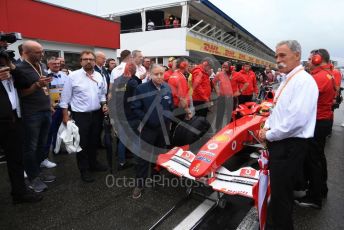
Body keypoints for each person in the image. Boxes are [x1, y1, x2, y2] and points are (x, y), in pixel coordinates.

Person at [259, 40, 318, 230]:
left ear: (297, 55)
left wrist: (270, 134)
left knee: (281, 197)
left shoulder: (304, 81)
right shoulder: (288, 79)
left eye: (282, 55)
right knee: (278, 194)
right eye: (276, 56)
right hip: (282, 142)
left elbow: (295, 120)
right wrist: (267, 127)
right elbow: (278, 111)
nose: (278, 60)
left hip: (289, 144)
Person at [294, 49, 336, 209]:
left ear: (318, 59)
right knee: (318, 158)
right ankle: (321, 189)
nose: (308, 62)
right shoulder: (328, 74)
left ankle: (314, 197)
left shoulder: (319, 78)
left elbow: (303, 100)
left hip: (317, 122)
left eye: (311, 59)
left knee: (313, 160)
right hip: (323, 120)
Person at [12, 40, 56, 193]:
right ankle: (32, 178)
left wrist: (49, 103)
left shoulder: (42, 66)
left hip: (45, 110)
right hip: (31, 113)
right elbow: (21, 94)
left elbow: (46, 88)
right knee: (30, 147)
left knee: (42, 145)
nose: (42, 54)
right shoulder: (18, 69)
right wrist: (37, 85)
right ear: (26, 53)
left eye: (42, 51)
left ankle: (37, 172)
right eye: (38, 52)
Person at [0, 47, 42, 203]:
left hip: (12, 120)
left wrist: (12, 67)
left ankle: (19, 193)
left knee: (16, 159)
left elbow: (25, 82)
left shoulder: (11, 68)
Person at [60, 50, 108, 182]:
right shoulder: (73, 76)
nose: (88, 61)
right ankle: (84, 170)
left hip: (97, 114)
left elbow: (102, 94)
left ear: (94, 61)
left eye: (91, 59)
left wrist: (104, 104)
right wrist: (65, 116)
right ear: (80, 61)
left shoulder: (99, 75)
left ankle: (93, 164)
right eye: (85, 59)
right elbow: (65, 99)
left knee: (94, 141)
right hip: (80, 116)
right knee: (82, 144)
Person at [131, 64, 174, 199]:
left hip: (164, 128)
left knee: (160, 153)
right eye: (157, 74)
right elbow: (135, 108)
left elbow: (171, 105)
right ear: (150, 74)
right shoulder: (141, 88)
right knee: (144, 156)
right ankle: (140, 183)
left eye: (162, 74)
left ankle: (156, 175)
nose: (160, 76)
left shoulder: (167, 87)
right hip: (148, 129)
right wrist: (148, 120)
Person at [43, 56, 67, 164]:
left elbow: (67, 91)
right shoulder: (44, 76)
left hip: (62, 108)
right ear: (48, 65)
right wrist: (49, 105)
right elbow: (44, 92)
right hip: (51, 109)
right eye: (54, 64)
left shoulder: (64, 75)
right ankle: (44, 158)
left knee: (60, 130)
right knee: (48, 132)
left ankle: (57, 149)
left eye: (58, 63)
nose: (57, 65)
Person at [213, 61, 248, 129]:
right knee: (219, 114)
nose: (224, 69)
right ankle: (217, 130)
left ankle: (230, 129)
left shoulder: (236, 74)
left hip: (231, 98)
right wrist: (217, 91)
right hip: (222, 97)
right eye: (223, 67)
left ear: (230, 68)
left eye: (226, 68)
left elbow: (246, 83)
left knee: (231, 114)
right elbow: (214, 82)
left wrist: (240, 91)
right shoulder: (220, 74)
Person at [167, 58, 192, 132]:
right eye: (188, 65)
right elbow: (182, 97)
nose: (189, 66)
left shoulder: (174, 75)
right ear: (184, 66)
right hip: (179, 107)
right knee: (178, 128)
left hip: (173, 105)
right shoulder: (181, 78)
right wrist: (188, 111)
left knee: (174, 126)